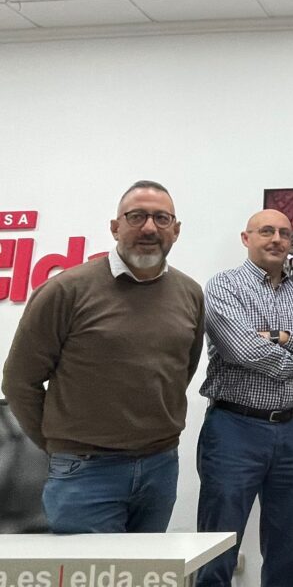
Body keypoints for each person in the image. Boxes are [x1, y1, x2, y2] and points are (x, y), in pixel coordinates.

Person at [1, 180, 203, 533]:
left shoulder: (190, 293)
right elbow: (19, 381)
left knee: (146, 568)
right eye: (136, 216)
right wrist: (57, 445)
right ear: (115, 227)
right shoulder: (66, 290)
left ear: (176, 230)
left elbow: (180, 370)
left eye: (161, 218)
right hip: (85, 472)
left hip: (159, 468)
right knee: (91, 568)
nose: (149, 228)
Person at [196, 209, 293, 587]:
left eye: (284, 233)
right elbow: (243, 350)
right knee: (216, 548)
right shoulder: (225, 286)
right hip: (235, 428)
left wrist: (283, 337)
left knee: (288, 551)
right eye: (266, 231)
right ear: (246, 238)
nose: (277, 239)